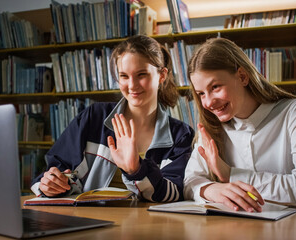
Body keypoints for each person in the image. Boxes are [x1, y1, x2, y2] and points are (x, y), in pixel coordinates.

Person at [31, 35, 194, 202]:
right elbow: (55, 170)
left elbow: (174, 194)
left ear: (162, 75)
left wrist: (136, 170)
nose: (132, 85)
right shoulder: (93, 117)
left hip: (149, 225)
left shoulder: (181, 134)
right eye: (124, 76)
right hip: (89, 221)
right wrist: (53, 184)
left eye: (141, 74)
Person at [184, 38, 296, 212]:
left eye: (215, 87)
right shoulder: (211, 126)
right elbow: (190, 182)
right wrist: (212, 190)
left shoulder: (294, 111)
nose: (208, 102)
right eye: (201, 93)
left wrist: (230, 174)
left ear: (243, 77)